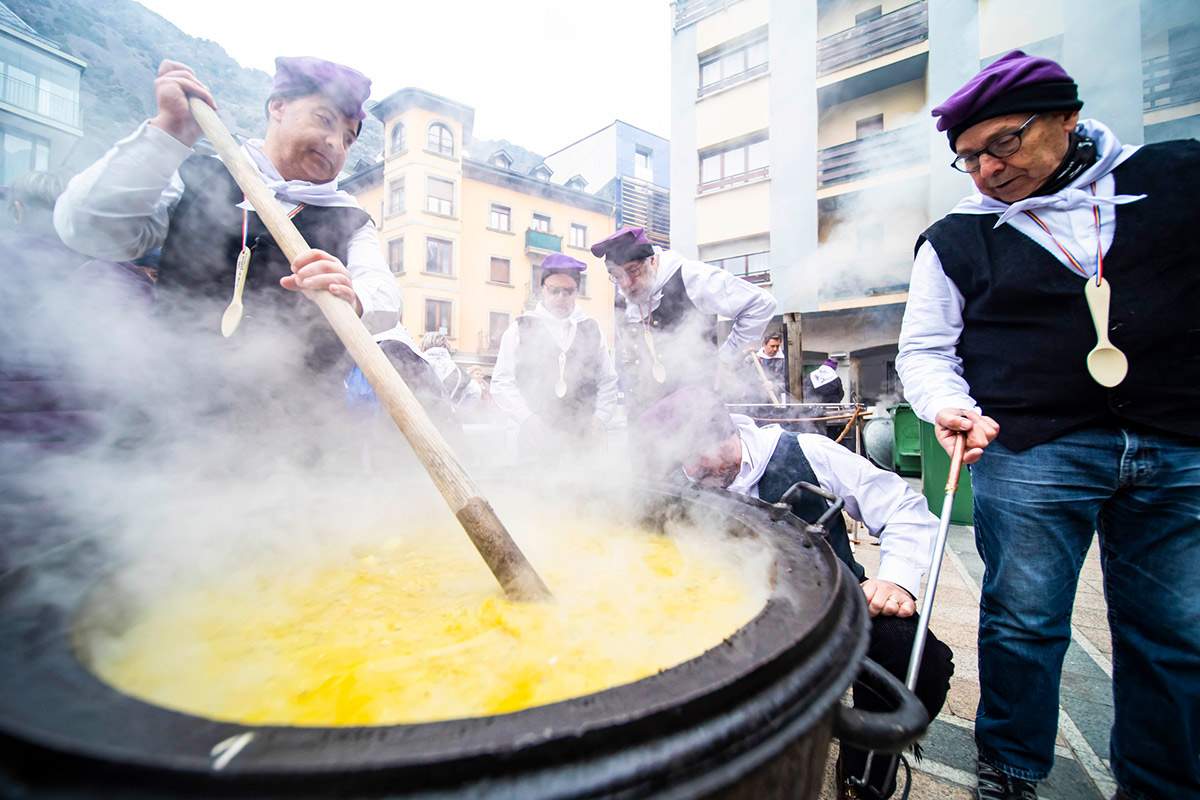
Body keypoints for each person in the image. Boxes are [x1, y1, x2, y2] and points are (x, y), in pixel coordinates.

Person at [896, 50, 1200, 800]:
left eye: (1004, 143)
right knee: (1023, 621)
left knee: (1175, 632)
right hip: (1032, 447)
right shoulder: (956, 238)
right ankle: (1010, 766)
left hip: (1179, 439)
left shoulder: (1179, 180)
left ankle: (1162, 784)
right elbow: (926, 350)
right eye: (967, 158)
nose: (987, 172)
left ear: (1067, 117)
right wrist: (945, 406)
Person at [637, 387, 954, 800]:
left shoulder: (807, 452)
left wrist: (894, 580)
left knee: (919, 659)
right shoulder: (682, 480)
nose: (695, 468)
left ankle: (862, 775)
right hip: (720, 616)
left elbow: (902, 508)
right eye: (684, 457)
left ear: (727, 432)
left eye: (702, 453)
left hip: (831, 608)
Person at [53, 56, 401, 379]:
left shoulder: (349, 216)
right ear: (278, 107)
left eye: (348, 138)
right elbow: (89, 229)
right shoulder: (200, 175)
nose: (335, 144)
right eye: (325, 120)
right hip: (171, 407)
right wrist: (167, 134)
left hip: (294, 423)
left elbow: (383, 297)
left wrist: (353, 297)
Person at [592, 226, 776, 413]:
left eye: (633, 271)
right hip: (644, 417)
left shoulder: (692, 276)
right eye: (617, 276)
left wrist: (725, 360)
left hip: (697, 414)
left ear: (652, 260)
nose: (626, 284)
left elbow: (761, 304)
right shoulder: (622, 302)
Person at [491, 253, 618, 458]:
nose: (561, 297)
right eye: (554, 290)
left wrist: (600, 419)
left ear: (577, 292)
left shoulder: (592, 329)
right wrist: (526, 418)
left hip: (582, 443)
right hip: (534, 443)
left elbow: (608, 380)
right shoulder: (519, 328)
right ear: (543, 290)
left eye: (568, 291)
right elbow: (501, 382)